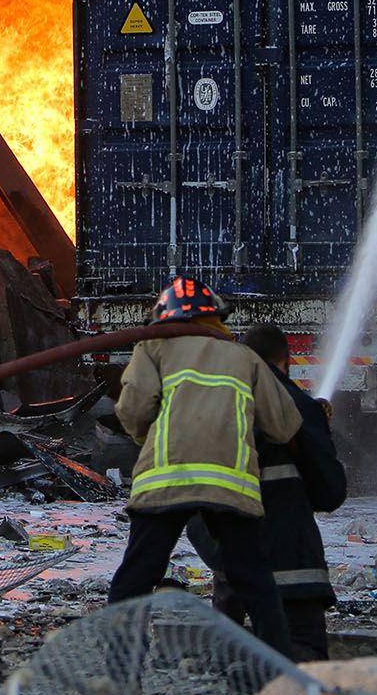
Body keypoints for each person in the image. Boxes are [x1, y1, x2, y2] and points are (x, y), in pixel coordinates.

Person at [108, 277, 301, 658]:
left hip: (166, 477)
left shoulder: (152, 348)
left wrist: (149, 438)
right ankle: (279, 670)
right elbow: (284, 425)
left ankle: (119, 673)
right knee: (254, 579)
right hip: (230, 484)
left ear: (164, 318)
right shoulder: (244, 357)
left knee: (136, 578)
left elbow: (133, 409)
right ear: (216, 317)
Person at [191, 322, 348, 660]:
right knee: (302, 659)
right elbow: (330, 493)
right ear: (286, 362)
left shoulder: (214, 406)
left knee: (229, 661)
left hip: (232, 566)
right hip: (293, 569)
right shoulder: (299, 407)